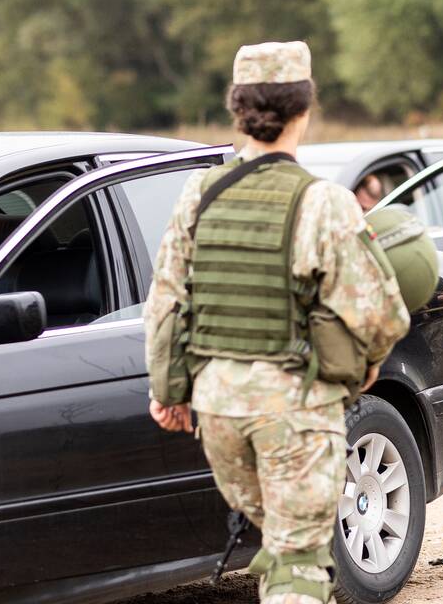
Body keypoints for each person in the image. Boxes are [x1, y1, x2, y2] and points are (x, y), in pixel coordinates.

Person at [144, 41, 410, 603]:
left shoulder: (200, 193)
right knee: (299, 561)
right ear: (305, 110)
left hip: (216, 411)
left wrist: (170, 393)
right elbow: (382, 313)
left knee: (281, 542)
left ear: (237, 109)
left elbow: (166, 300)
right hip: (293, 411)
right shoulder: (322, 202)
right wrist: (363, 371)